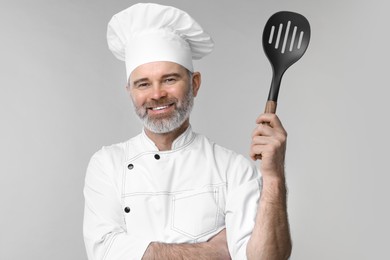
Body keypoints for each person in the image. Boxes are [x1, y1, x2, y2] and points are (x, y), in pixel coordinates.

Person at [83, 3, 291, 260]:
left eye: (170, 79)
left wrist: (273, 178)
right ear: (130, 92)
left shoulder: (233, 169)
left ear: (195, 84)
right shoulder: (107, 164)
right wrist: (214, 251)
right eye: (143, 84)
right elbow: (104, 252)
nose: (157, 94)